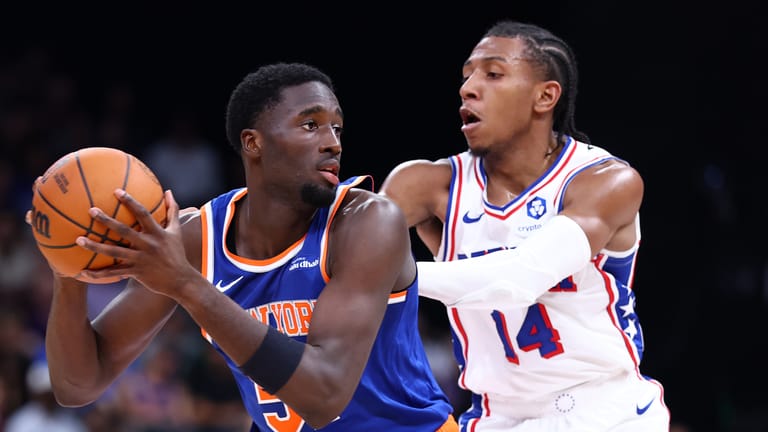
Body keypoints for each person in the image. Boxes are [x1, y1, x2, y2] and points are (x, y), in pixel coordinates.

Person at [36, 62, 458, 431]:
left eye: (337, 127)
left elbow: (326, 397)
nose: (333, 142)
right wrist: (68, 268)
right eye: (311, 125)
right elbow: (78, 385)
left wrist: (188, 286)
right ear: (253, 143)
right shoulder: (197, 239)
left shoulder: (368, 222)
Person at [379, 20, 671, 431]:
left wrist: (395, 276)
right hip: (492, 414)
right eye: (466, 77)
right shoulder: (429, 184)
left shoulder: (605, 181)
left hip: (604, 410)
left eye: (493, 74)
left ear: (545, 96)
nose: (468, 88)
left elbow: (519, 278)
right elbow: (336, 258)